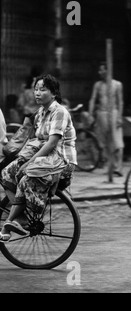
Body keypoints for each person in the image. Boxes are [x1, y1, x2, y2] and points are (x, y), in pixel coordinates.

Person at [0, 74, 77, 241]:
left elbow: (51, 143)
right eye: (36, 89)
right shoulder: (41, 113)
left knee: (25, 178)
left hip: (61, 160)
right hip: (44, 158)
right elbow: (35, 140)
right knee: (6, 173)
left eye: (42, 89)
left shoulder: (60, 112)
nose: (37, 93)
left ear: (54, 93)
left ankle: (10, 220)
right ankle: (21, 217)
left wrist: (29, 163)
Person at [88, 61, 124, 178]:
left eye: (102, 70)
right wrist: (90, 114)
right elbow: (93, 99)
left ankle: (118, 167)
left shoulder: (117, 84)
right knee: (105, 142)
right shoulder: (98, 85)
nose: (100, 72)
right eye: (99, 70)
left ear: (107, 70)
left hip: (113, 113)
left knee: (117, 142)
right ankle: (111, 166)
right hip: (102, 114)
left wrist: (119, 117)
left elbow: (120, 101)